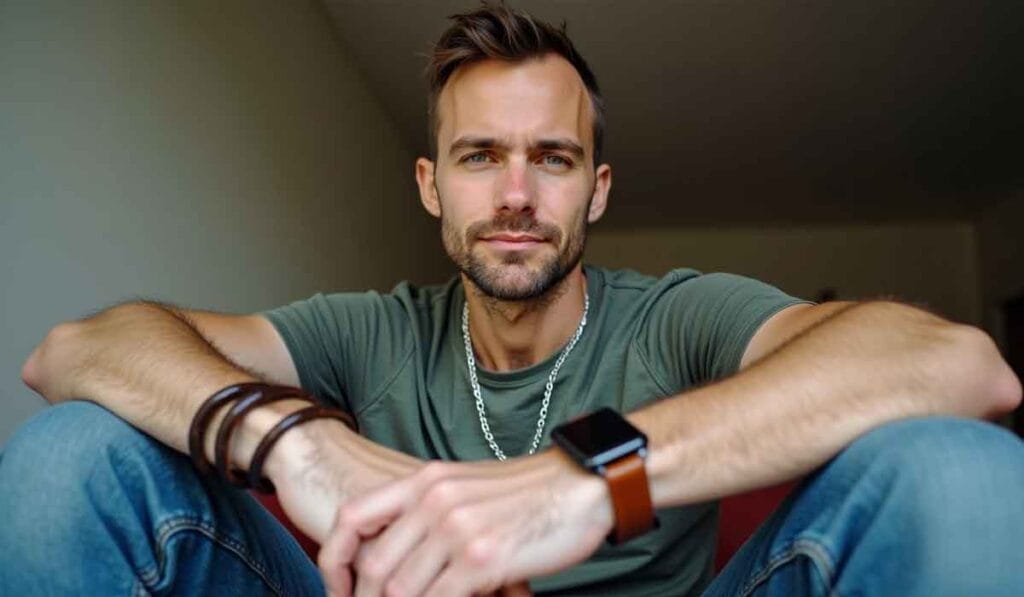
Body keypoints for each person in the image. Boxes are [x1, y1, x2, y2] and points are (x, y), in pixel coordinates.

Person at [2, 3, 1022, 596]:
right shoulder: (370, 330)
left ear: (598, 188)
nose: (519, 195)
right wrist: (296, 448)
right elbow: (75, 350)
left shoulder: (675, 315)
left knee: (955, 464)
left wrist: (583, 484)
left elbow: (961, 368)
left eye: (555, 158)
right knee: (73, 460)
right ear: (431, 184)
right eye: (481, 156)